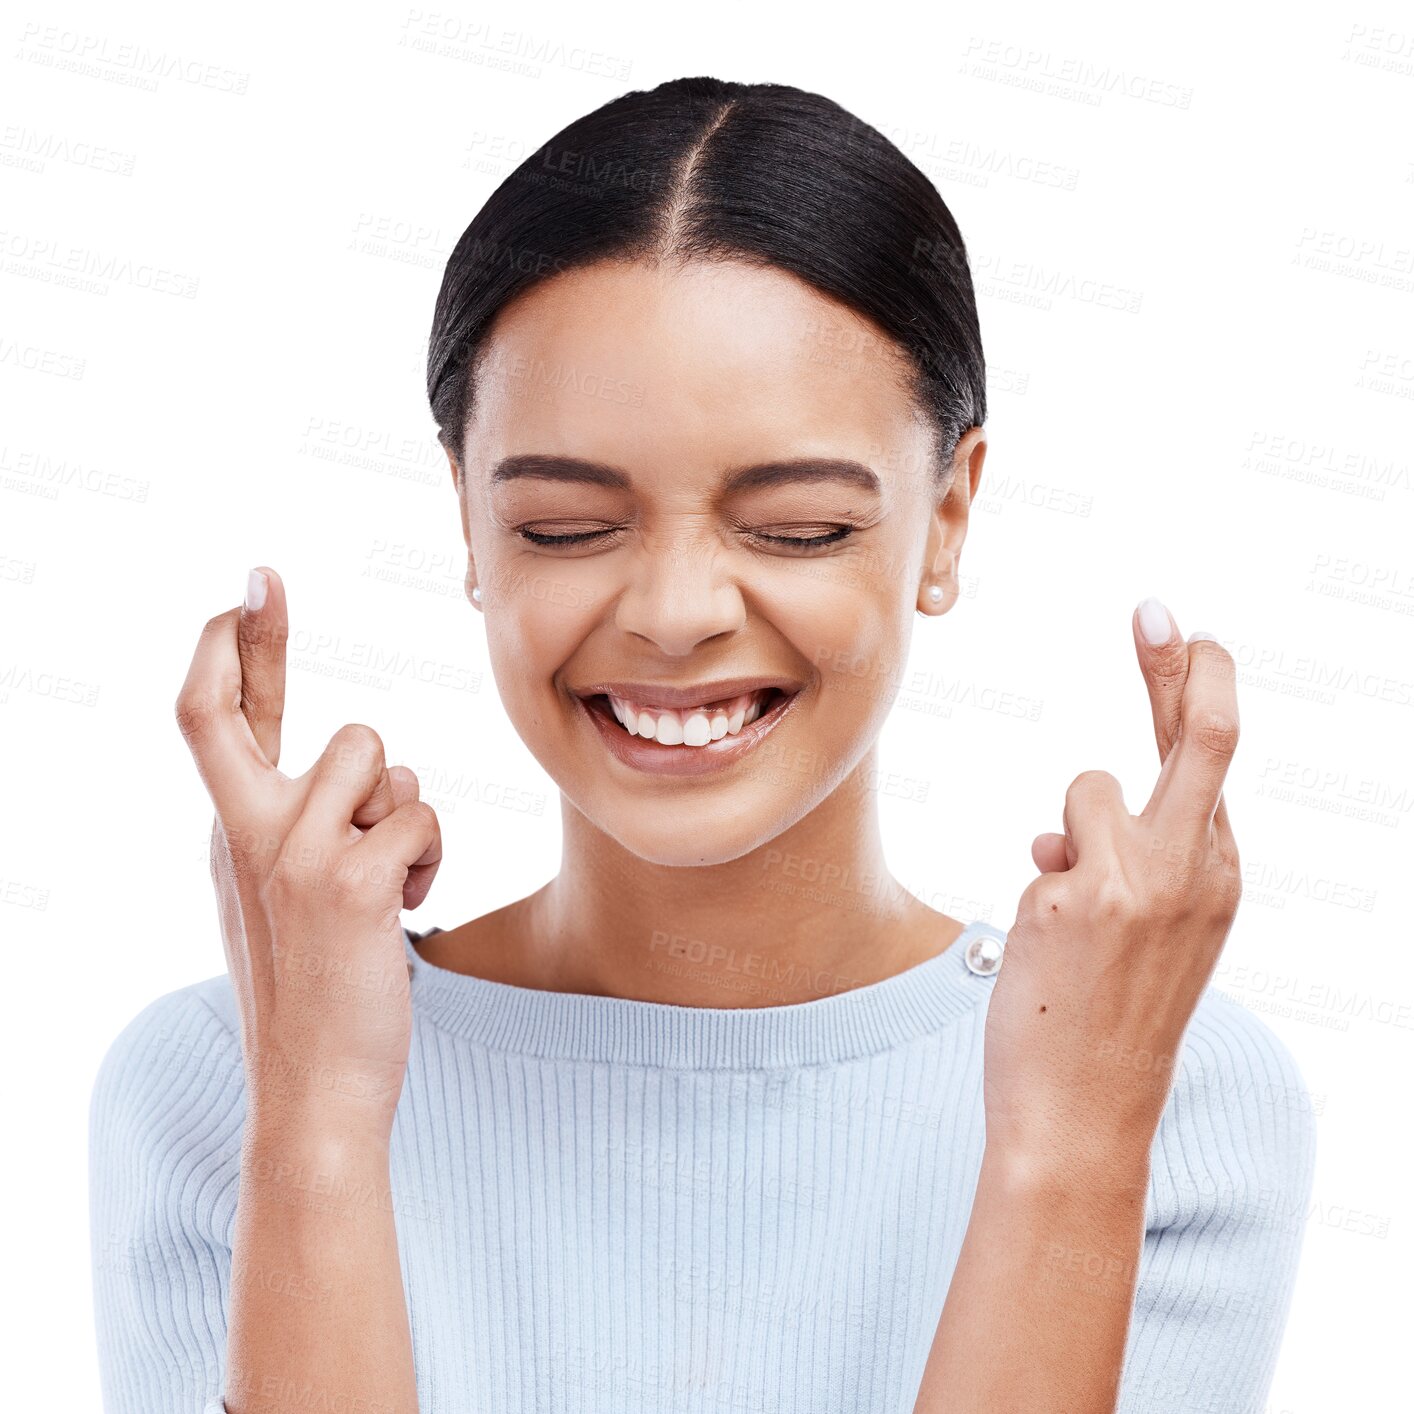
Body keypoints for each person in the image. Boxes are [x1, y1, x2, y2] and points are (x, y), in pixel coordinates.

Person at [89, 75, 1315, 1413]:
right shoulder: (229, 1080)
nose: (675, 616)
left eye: (795, 527)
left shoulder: (1164, 1085)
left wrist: (1067, 1146)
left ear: (949, 516)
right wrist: (317, 1129)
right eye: (563, 523)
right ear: (465, 517)